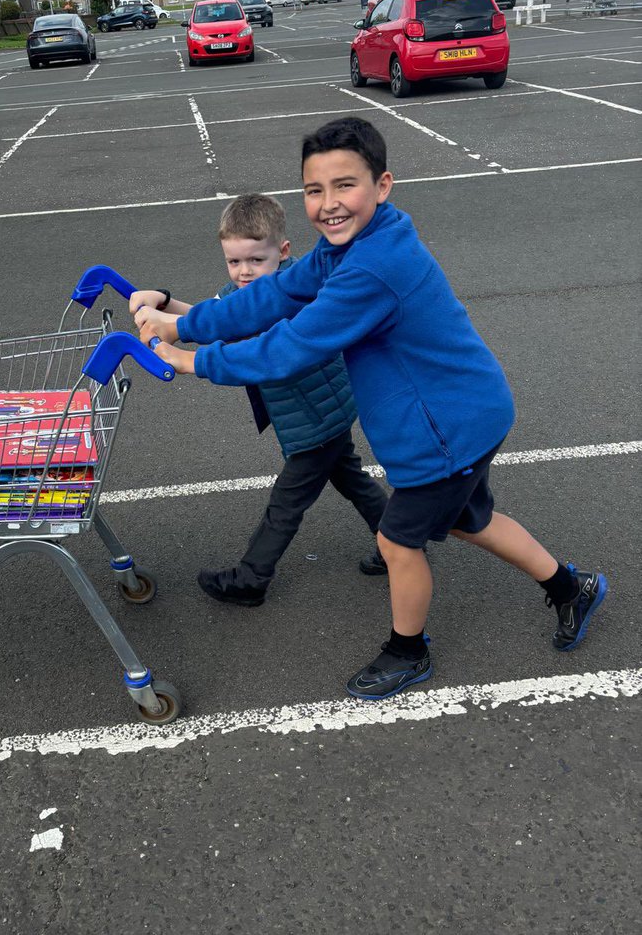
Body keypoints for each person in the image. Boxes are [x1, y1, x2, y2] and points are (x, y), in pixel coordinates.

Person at [136, 118, 607, 700]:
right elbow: (273, 296)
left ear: (382, 185)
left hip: (447, 428)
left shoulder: (371, 268)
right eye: (314, 190)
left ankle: (408, 652)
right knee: (469, 519)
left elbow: (291, 345)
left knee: (397, 540)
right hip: (469, 410)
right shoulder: (349, 247)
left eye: (345, 186)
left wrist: (187, 360)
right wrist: (182, 324)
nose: (329, 205)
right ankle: (571, 588)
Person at [129, 192, 389, 608]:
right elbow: (213, 314)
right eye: (234, 262)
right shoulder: (252, 292)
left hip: (313, 416)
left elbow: (237, 336)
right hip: (322, 410)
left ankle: (252, 576)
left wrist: (180, 347)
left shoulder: (285, 297)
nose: (244, 273)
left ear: (282, 252)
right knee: (351, 478)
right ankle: (399, 543)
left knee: (287, 503)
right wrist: (164, 301)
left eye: (255, 260)